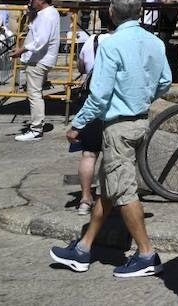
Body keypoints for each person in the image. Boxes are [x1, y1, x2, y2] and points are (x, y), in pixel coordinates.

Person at [49, 0, 173, 278]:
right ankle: (83, 248)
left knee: (124, 191)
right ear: (141, 12)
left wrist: (78, 123)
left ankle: (146, 253)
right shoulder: (155, 42)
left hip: (118, 125)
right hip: (140, 119)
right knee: (109, 187)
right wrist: (141, 97)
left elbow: (100, 93)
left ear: (111, 13)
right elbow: (166, 81)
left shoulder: (111, 44)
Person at [14, 0, 61, 140]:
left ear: (41, 0)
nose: (31, 2)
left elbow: (40, 40)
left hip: (39, 60)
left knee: (34, 94)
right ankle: (36, 126)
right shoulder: (49, 13)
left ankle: (36, 129)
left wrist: (22, 49)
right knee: (36, 93)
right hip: (41, 59)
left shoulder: (46, 16)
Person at [70, 28, 102, 217]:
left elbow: (81, 67)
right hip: (117, 105)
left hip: (92, 102)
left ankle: (84, 199)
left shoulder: (93, 40)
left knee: (89, 154)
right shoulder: (126, 40)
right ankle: (106, 198)